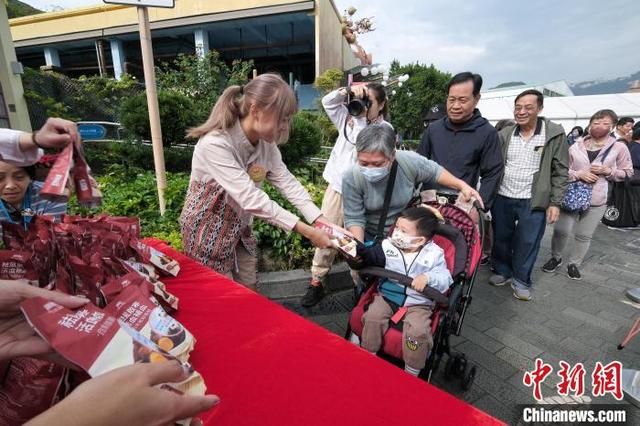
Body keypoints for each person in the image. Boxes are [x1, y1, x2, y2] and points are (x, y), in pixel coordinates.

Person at [180, 73, 332, 291]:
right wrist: (308, 232)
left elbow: (286, 181)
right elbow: (252, 198)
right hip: (206, 232)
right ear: (255, 110)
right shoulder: (215, 144)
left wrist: (320, 220)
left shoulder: (265, 144)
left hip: (239, 230)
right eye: (282, 118)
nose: (284, 126)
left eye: (287, 119)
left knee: (249, 289)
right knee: (222, 299)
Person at [303, 82, 391, 307]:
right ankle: (317, 281)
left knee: (355, 242)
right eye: (362, 99)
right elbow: (327, 102)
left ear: (381, 106)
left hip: (361, 194)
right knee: (327, 235)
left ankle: (358, 284)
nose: (362, 105)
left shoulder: (385, 129)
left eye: (368, 101)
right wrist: (349, 91)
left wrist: (360, 118)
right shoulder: (348, 118)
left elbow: (365, 145)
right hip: (336, 187)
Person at [342, 124, 483, 244]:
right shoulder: (352, 177)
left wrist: (462, 186)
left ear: (392, 156)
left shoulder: (407, 162)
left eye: (378, 163)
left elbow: (435, 172)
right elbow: (354, 218)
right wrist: (359, 250)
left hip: (409, 233)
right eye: (364, 163)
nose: (370, 169)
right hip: (373, 235)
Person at [489, 89, 568, 301]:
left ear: (539, 109)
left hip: (533, 199)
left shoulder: (553, 134)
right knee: (501, 238)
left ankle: (521, 279)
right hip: (503, 195)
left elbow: (561, 171)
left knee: (528, 241)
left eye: (528, 107)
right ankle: (502, 271)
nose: (521, 111)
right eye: (518, 107)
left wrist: (555, 203)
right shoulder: (505, 134)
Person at [355, 206, 452, 377]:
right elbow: (372, 255)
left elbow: (445, 278)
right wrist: (356, 250)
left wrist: (428, 278)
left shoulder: (434, 255)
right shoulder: (388, 246)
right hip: (387, 296)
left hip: (418, 303)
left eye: (403, 231)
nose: (396, 233)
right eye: (397, 228)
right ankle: (367, 355)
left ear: (420, 240)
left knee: (418, 332)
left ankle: (412, 371)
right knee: (372, 317)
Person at [542, 110, 633, 279]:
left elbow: (628, 172)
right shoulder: (575, 145)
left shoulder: (618, 147)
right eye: (596, 123)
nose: (600, 127)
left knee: (584, 235)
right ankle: (556, 258)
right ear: (590, 124)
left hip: (597, 199)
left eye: (605, 124)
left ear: (613, 126)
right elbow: (562, 170)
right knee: (561, 230)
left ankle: (574, 263)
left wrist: (609, 171)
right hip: (572, 195)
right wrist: (579, 174)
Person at [417, 72, 503, 213]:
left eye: (463, 100)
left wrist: (480, 207)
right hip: (429, 202)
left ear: (476, 99)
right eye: (451, 100)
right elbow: (418, 163)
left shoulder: (487, 132)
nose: (455, 106)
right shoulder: (434, 129)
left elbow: (492, 174)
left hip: (462, 205)